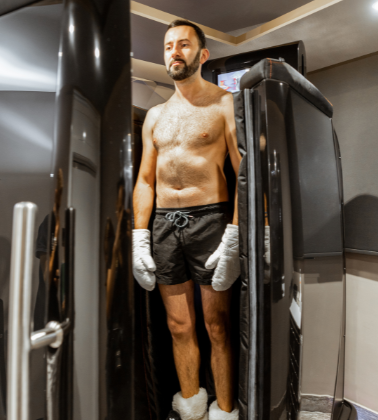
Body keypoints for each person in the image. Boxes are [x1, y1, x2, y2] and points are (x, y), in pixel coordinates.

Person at [132, 19, 241, 420]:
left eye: (183, 45)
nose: (174, 52)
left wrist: (234, 232)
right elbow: (145, 180)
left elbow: (243, 172)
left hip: (210, 219)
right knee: (178, 326)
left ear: (202, 54)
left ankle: (225, 411)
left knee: (217, 327)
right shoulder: (155, 115)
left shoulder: (224, 104)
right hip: (163, 224)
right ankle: (192, 407)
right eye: (167, 46)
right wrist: (138, 237)